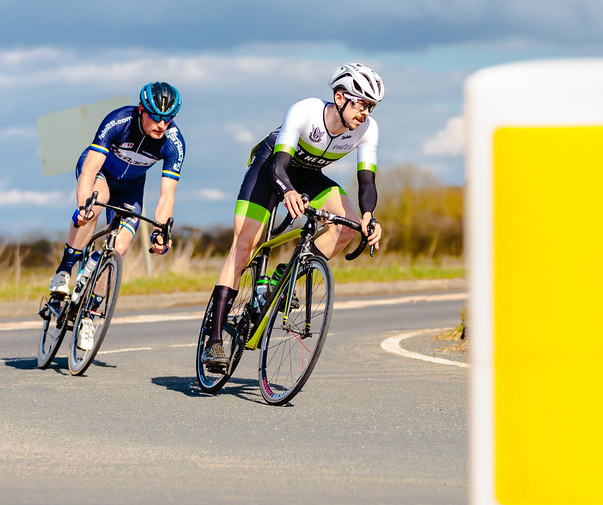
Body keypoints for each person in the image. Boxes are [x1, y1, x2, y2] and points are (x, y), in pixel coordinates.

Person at [200, 62, 385, 369]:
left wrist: (369, 216)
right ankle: (215, 339)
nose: (365, 113)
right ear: (340, 97)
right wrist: (286, 190)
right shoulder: (306, 111)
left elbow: (367, 181)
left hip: (310, 176)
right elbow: (278, 165)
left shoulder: (367, 130)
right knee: (245, 245)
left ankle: (282, 279)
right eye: (361, 104)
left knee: (348, 225)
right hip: (271, 168)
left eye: (372, 107)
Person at [46, 82, 185, 306]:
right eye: (155, 116)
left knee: (119, 248)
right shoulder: (119, 121)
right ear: (142, 110)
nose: (161, 124)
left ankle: (91, 312)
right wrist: (83, 207)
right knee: (95, 205)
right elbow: (90, 170)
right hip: (101, 173)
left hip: (131, 188)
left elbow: (167, 195)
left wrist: (160, 231)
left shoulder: (174, 143)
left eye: (168, 118)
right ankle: (64, 271)